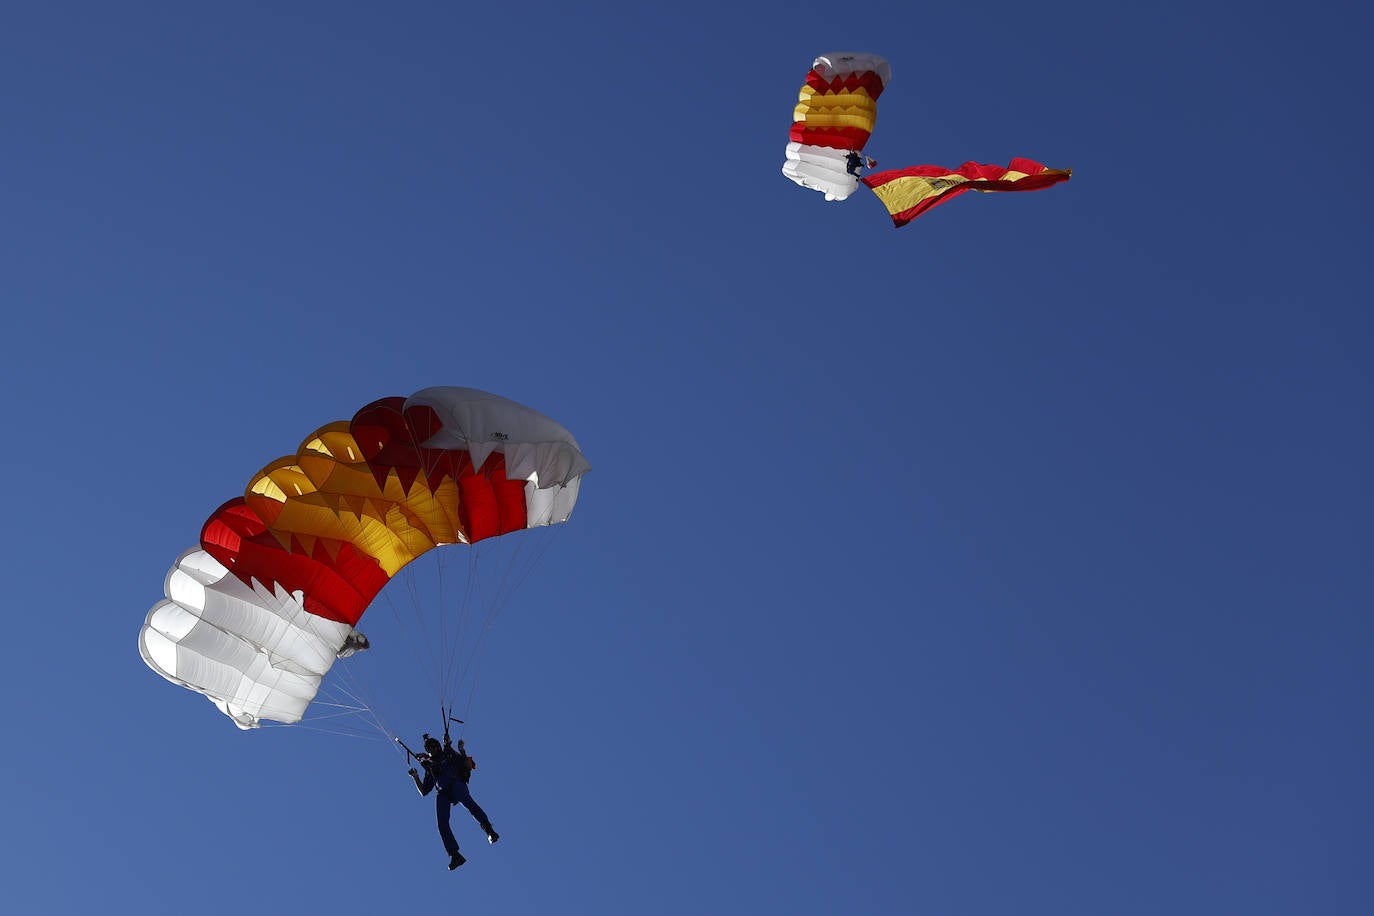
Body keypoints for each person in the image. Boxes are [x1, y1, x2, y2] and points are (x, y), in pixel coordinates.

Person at [408, 735, 500, 870]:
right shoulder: (430, 767)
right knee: (442, 824)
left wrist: (456, 747)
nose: (431, 750)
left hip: (455, 784)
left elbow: (464, 762)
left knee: (471, 805)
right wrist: (415, 777)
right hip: (443, 793)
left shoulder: (447, 754)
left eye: (433, 747)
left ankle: (489, 830)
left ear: (438, 747)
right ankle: (455, 855)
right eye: (429, 748)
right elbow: (424, 791)